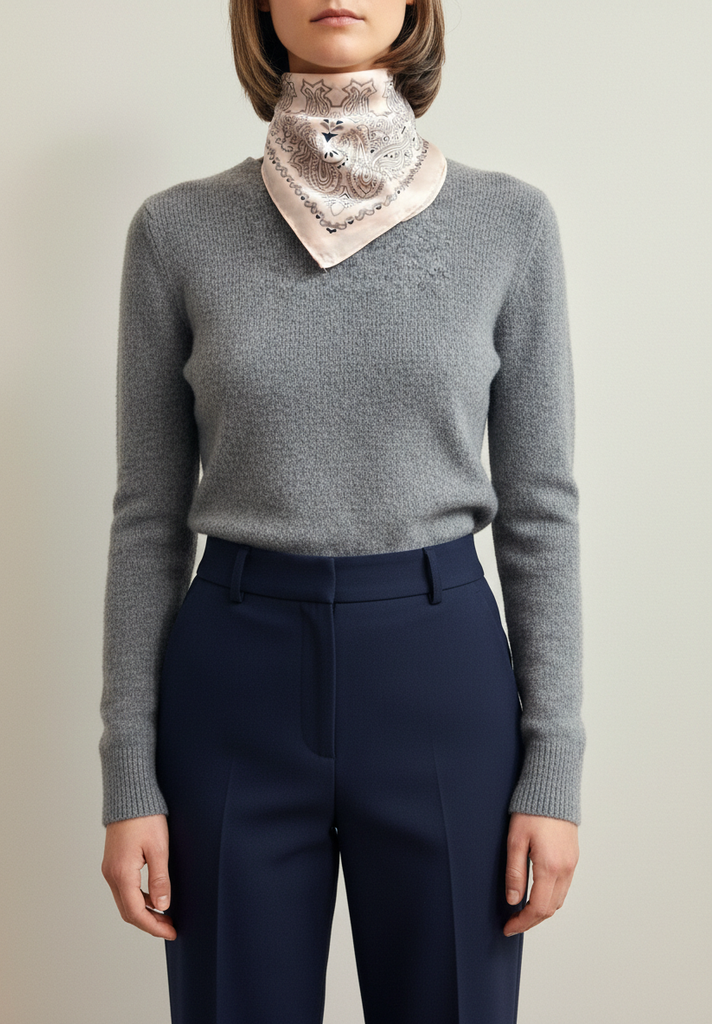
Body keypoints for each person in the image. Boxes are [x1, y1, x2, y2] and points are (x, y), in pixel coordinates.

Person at [100, 1, 586, 1021]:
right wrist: (128, 774)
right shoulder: (175, 231)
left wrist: (553, 766)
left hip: (439, 673)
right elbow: (147, 517)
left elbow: (541, 512)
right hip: (233, 682)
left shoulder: (510, 224)